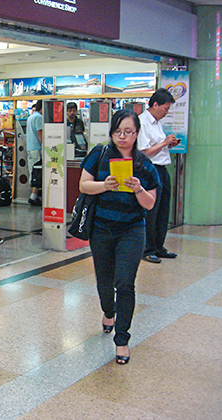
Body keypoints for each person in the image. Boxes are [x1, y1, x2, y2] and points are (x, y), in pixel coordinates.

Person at [79, 109, 160, 365]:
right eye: (117, 131)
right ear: (111, 131)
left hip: (132, 230)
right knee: (105, 281)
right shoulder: (100, 154)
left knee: (125, 283)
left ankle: (122, 339)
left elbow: (150, 204)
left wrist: (138, 189)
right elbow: (83, 185)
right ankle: (108, 311)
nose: (122, 137)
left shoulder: (145, 164)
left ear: (137, 134)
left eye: (128, 132)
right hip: (101, 228)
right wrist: (105, 185)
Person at [137, 88, 180, 264]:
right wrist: (164, 143)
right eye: (166, 108)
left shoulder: (157, 122)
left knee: (163, 210)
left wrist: (168, 144)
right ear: (155, 104)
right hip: (150, 170)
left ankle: (158, 246)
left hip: (162, 168)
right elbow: (144, 152)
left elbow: (158, 147)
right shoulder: (142, 122)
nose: (167, 112)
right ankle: (147, 249)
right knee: (151, 211)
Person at [26, 101, 43, 206]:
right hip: (37, 148)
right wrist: (44, 146)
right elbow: (39, 133)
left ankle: (33, 195)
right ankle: (33, 196)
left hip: (30, 148)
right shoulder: (39, 118)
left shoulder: (31, 117)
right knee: (37, 172)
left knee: (32, 171)